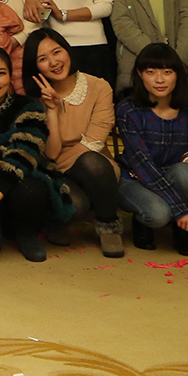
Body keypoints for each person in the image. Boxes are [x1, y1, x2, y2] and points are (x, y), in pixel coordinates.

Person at [23, 28, 123, 257]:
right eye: (42, 59)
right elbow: (51, 153)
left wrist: (59, 163)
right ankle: (58, 219)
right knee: (76, 204)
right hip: (55, 168)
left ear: (67, 50)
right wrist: (52, 110)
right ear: (35, 66)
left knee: (92, 162)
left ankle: (109, 225)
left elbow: (94, 141)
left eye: (56, 52)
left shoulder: (99, 87)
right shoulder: (34, 99)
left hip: (95, 164)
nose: (53, 62)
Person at [116, 43, 188, 257]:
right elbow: (141, 163)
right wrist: (180, 209)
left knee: (187, 172)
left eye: (167, 72)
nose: (159, 80)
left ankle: (182, 231)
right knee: (158, 214)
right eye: (151, 72)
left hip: (174, 175)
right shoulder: (128, 110)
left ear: (178, 74)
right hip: (135, 177)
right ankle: (144, 222)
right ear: (140, 74)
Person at [0, 45, 55, 262]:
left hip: (21, 180)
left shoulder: (29, 107)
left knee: (31, 187)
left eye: (1, 73)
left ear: (10, 77)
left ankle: (26, 232)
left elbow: (23, 158)